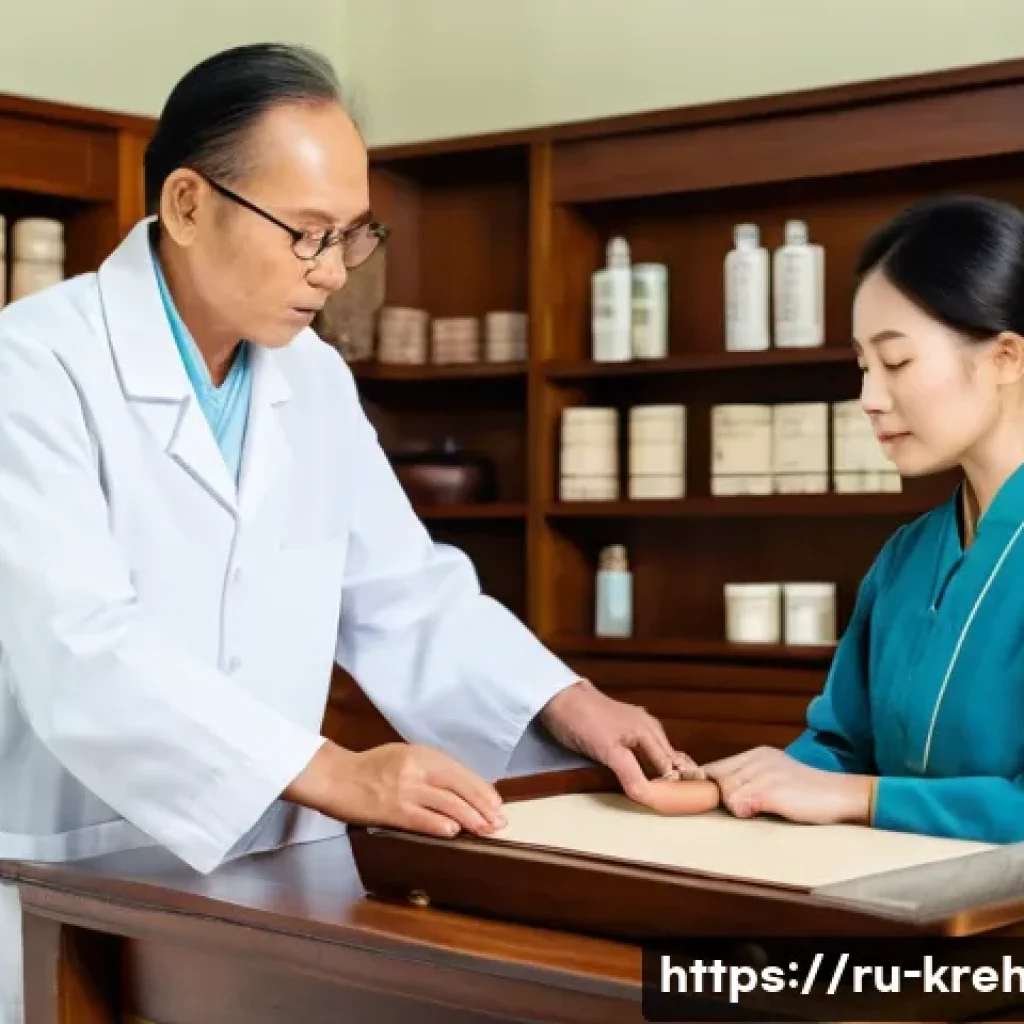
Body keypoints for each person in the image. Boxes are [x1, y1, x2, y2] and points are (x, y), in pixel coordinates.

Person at [0, 43, 699, 1024]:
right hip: (69, 876)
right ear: (190, 203)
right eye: (305, 235)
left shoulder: (309, 377)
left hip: (269, 880)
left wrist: (567, 699)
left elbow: (402, 590)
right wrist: (335, 771)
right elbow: (80, 645)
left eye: (353, 237)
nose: (332, 272)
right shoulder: (32, 367)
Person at [704, 193, 1024, 846]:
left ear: (1006, 358)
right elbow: (838, 746)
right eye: (863, 366)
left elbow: (846, 788)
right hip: (884, 915)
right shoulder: (907, 556)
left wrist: (858, 798)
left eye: (897, 361)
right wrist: (732, 788)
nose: (870, 399)